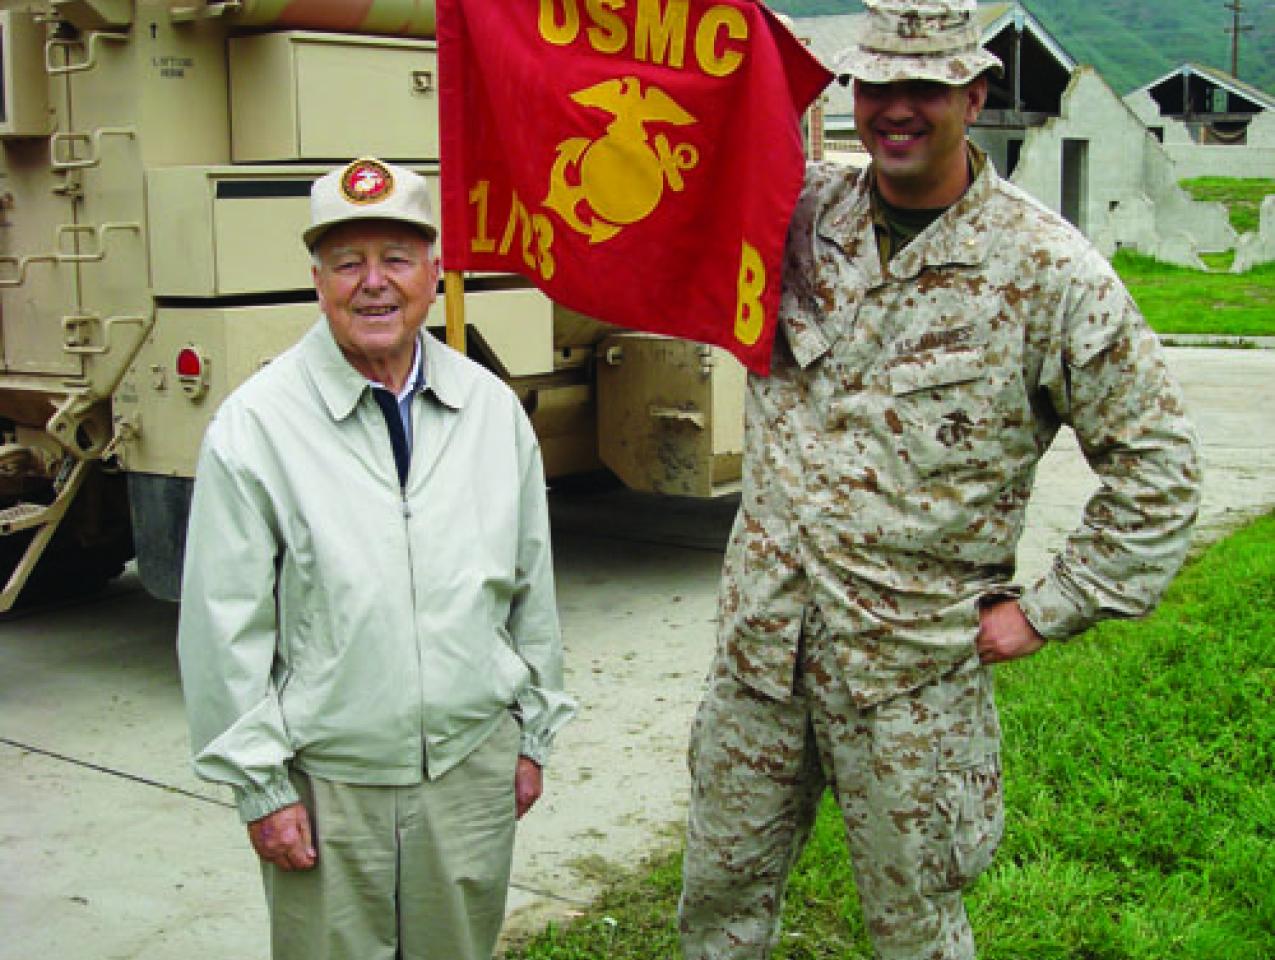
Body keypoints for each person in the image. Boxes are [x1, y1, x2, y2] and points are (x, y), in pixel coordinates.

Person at [678, 2, 1202, 958]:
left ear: (973, 92)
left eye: (922, 86)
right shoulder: (791, 217)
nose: (894, 109)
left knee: (915, 930)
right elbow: (662, 175)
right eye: (875, 85)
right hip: (761, 654)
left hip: (911, 679)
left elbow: (1159, 476)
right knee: (716, 910)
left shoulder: (1047, 271)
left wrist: (1049, 607)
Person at [177, 157, 575, 960]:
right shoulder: (256, 426)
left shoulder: (490, 410)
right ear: (316, 279)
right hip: (329, 789)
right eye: (346, 261)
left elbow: (531, 591)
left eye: (395, 258)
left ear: (434, 271)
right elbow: (224, 629)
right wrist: (261, 787)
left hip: (470, 775)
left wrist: (531, 736)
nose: (373, 284)